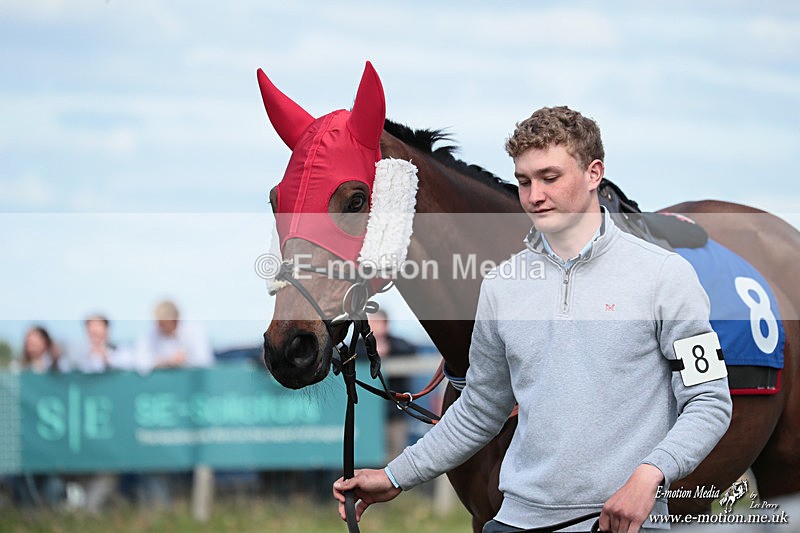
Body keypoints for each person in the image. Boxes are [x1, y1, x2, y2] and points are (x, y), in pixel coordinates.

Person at [333, 106, 733, 532]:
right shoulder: (501, 285)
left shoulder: (664, 276)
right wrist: (396, 475)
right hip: (515, 522)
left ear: (594, 173)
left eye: (550, 177)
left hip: (623, 524)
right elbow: (480, 409)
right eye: (524, 181)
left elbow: (709, 400)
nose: (534, 196)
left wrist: (651, 474)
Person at [60, 315, 129, 513]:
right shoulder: (75, 356)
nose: (96, 336)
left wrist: (107, 358)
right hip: (81, 424)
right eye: (92, 331)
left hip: (112, 425)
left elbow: (133, 366)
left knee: (108, 467)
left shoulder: (119, 352)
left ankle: (96, 508)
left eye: (99, 331)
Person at [13, 326, 66, 507]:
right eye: (29, 340)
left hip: (53, 438)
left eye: (36, 340)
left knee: (52, 479)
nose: (32, 344)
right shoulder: (17, 367)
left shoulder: (58, 368)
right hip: (27, 435)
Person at [135, 300, 213, 371]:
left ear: (175, 320)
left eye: (163, 323)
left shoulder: (195, 330)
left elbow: (204, 360)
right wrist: (163, 362)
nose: (159, 327)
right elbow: (140, 359)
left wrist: (185, 360)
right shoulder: (152, 331)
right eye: (158, 323)